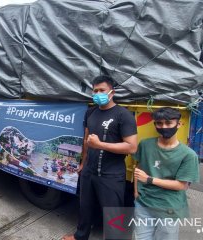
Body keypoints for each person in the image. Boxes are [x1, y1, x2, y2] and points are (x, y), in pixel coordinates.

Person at [63, 75, 138, 240]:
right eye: (95, 90)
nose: (98, 93)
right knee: (85, 207)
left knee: (114, 215)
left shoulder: (123, 115)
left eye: (101, 90)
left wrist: (101, 145)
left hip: (111, 174)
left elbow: (132, 147)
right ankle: (80, 236)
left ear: (112, 92)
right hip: (89, 171)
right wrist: (83, 162)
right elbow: (86, 140)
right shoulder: (90, 112)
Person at [133, 107, 199, 240]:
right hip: (144, 203)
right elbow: (138, 168)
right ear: (155, 124)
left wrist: (149, 179)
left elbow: (181, 185)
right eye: (159, 123)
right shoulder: (145, 144)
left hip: (169, 207)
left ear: (178, 124)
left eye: (168, 123)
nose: (164, 127)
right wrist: (136, 192)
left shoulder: (188, 155)